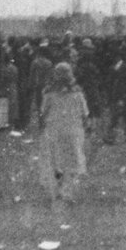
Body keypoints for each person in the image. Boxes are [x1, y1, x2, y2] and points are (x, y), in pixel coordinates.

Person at [38, 63, 89, 202]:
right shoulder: (78, 92)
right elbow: (84, 113)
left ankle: (58, 190)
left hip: (54, 130)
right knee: (72, 160)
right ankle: (69, 192)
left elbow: (43, 112)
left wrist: (42, 125)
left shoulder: (49, 92)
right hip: (73, 130)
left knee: (56, 160)